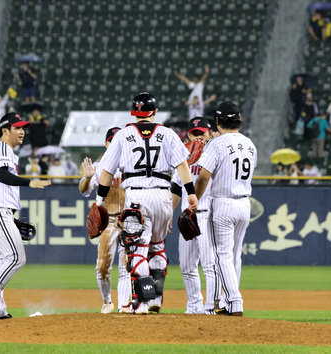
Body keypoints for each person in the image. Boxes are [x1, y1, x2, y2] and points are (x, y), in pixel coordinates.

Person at [94, 92, 198, 314]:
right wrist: (191, 193)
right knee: (158, 247)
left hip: (137, 196)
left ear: (134, 112)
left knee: (138, 250)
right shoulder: (169, 134)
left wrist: (99, 200)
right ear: (155, 112)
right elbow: (183, 167)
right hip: (163, 195)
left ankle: (143, 302)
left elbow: (106, 172)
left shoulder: (123, 135)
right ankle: (156, 300)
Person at [0, 112, 51, 321]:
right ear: (5, 130)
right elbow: (1, 175)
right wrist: (29, 182)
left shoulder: (5, 151)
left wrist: (11, 218)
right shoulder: (2, 148)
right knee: (17, 257)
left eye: (23, 128)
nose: (22, 131)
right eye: (17, 128)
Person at [194, 102, 257, 316]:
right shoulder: (250, 144)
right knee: (235, 255)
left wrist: (195, 198)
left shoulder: (217, 144)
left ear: (218, 121)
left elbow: (203, 176)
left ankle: (234, 301)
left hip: (223, 203)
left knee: (222, 255)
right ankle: (229, 300)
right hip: (244, 203)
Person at [79, 127, 131, 313]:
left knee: (127, 266)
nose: (115, 143)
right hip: (108, 221)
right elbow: (83, 190)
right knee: (102, 267)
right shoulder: (99, 166)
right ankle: (107, 301)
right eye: (112, 140)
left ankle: (125, 304)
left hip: (129, 220)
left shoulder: (132, 164)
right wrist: (87, 177)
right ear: (106, 143)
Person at [172, 117, 220, 314]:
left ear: (210, 133)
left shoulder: (217, 153)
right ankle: (194, 306)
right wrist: (168, 215)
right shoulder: (182, 158)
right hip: (187, 216)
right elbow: (175, 188)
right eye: (195, 133)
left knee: (210, 265)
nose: (199, 136)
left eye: (203, 132)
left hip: (208, 214)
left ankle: (211, 307)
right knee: (186, 265)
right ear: (189, 135)